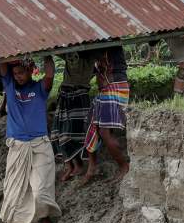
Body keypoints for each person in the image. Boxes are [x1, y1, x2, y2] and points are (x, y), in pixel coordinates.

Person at [0, 58, 61, 223]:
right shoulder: (10, 86)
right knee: (13, 195)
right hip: (17, 147)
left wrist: (47, 52)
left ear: (31, 70)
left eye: (22, 72)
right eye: (16, 74)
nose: (19, 77)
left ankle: (44, 219)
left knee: (40, 190)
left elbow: (49, 75)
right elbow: (2, 63)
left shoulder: (40, 88)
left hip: (40, 144)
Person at [82, 46, 130, 183]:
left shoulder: (112, 44)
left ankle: (124, 166)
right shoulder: (96, 47)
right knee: (89, 125)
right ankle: (92, 167)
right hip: (105, 89)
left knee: (104, 132)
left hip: (116, 87)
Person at [51, 50, 94, 181]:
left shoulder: (90, 53)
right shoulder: (68, 50)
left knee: (75, 134)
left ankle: (79, 165)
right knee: (57, 134)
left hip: (80, 95)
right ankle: (71, 165)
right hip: (65, 95)